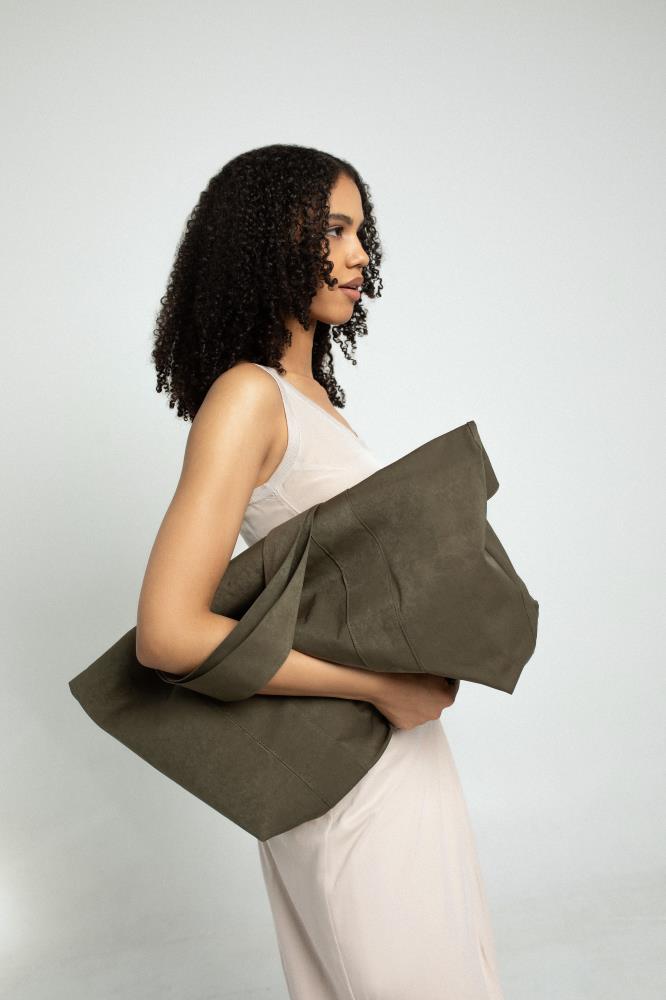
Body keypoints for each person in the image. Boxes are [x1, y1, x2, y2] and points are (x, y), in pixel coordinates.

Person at [135, 143, 505, 999]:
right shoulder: (248, 397)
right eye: (334, 230)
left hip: (398, 754)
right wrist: (380, 686)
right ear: (268, 240)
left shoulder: (312, 403)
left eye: (360, 232)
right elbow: (168, 633)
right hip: (349, 768)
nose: (358, 254)